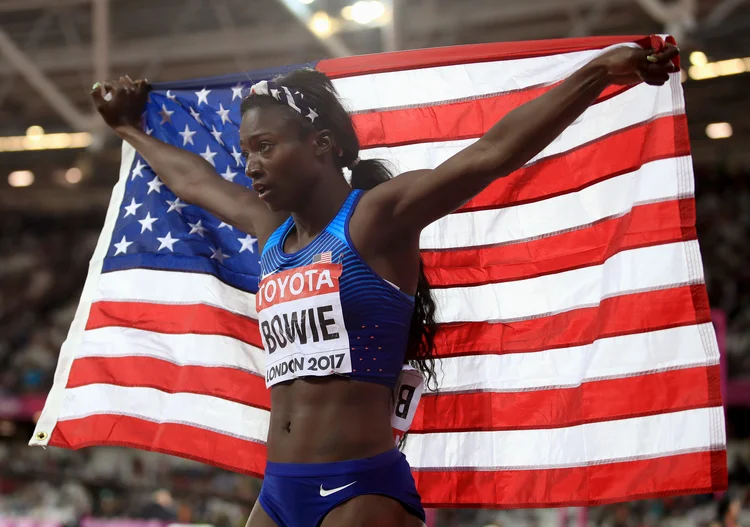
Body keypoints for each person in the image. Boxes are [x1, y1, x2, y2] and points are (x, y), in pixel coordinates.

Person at [91, 42, 679, 527]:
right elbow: (195, 183)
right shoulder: (271, 231)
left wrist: (599, 71)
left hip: (359, 494)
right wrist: (128, 129)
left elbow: (491, 155)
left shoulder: (375, 218)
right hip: (277, 490)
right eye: (247, 152)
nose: (250, 166)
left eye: (266, 147)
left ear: (321, 146)